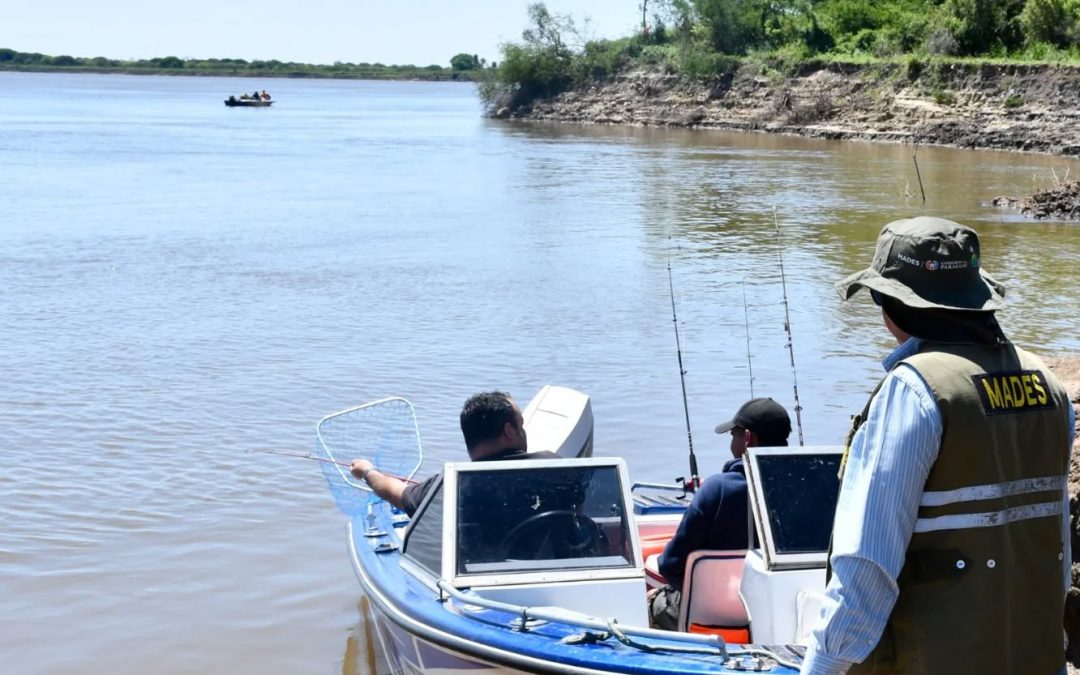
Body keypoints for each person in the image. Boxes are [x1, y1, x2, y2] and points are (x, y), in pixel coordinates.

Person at [801, 217, 1074, 675]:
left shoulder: (913, 391)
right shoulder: (1048, 385)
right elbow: (1056, 546)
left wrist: (824, 664)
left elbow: (866, 565)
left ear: (890, 304)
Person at [648, 397, 792, 631]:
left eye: (733, 434)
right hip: (779, 609)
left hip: (713, 614)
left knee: (654, 601)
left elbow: (670, 565)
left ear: (747, 439)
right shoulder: (806, 488)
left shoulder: (717, 490)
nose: (732, 441)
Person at [350, 391, 558, 516]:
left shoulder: (450, 484)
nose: (524, 431)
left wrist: (367, 471)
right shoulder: (554, 468)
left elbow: (396, 493)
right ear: (509, 431)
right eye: (521, 425)